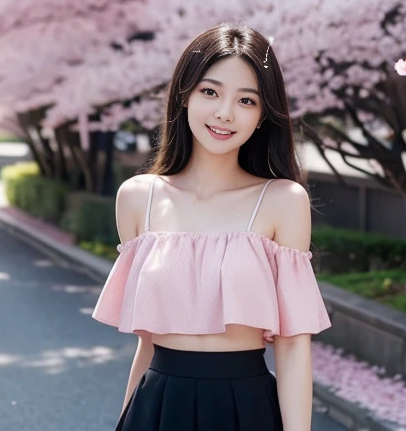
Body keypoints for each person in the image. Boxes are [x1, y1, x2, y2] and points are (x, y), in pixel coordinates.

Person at [92, 24, 331, 430]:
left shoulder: (282, 201)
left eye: (246, 100)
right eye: (210, 91)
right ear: (184, 96)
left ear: (262, 116)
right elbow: (147, 342)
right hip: (156, 408)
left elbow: (293, 347)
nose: (225, 112)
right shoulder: (138, 198)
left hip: (245, 408)